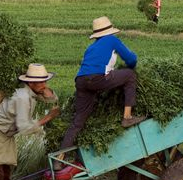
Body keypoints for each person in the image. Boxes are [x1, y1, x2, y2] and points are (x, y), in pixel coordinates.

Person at [57, 17, 145, 169]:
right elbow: (131, 60)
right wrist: (130, 64)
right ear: (109, 31)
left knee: (77, 122)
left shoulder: (91, 47)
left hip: (81, 81)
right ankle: (127, 117)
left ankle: (59, 159)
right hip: (98, 79)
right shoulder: (112, 40)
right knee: (130, 75)